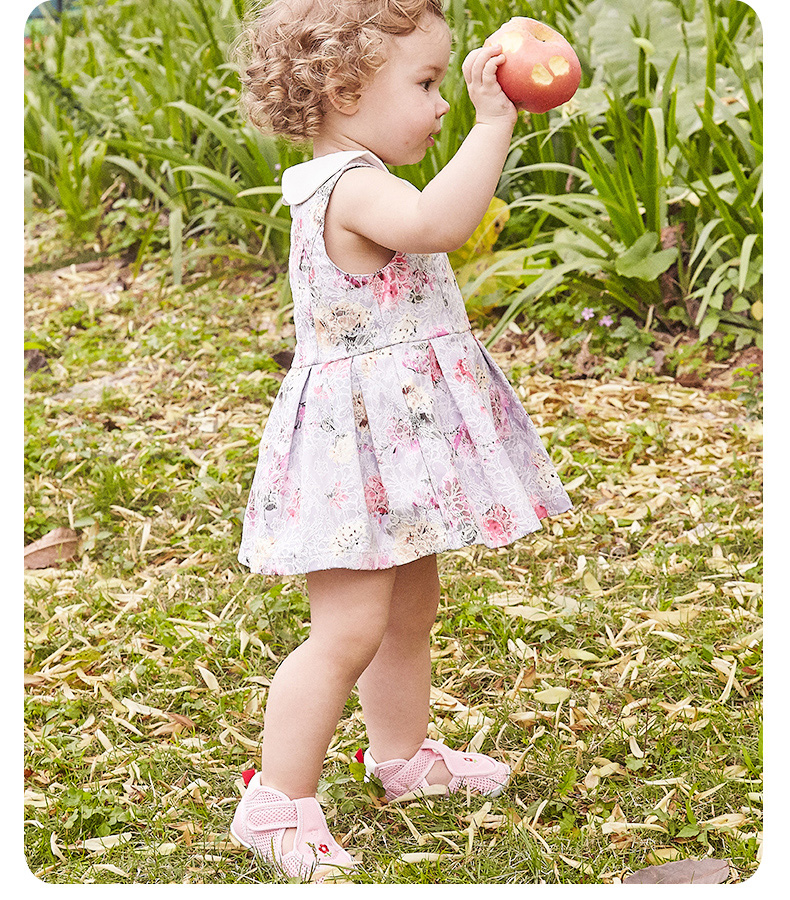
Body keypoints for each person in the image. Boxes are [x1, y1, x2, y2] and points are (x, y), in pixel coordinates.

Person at [230, 0, 572, 881]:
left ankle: (402, 756)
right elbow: (437, 226)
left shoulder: (360, 170)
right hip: (356, 452)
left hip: (394, 443)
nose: (443, 102)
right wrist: (497, 122)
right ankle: (276, 803)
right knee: (346, 629)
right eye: (425, 83)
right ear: (345, 88)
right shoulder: (348, 182)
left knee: (407, 611)